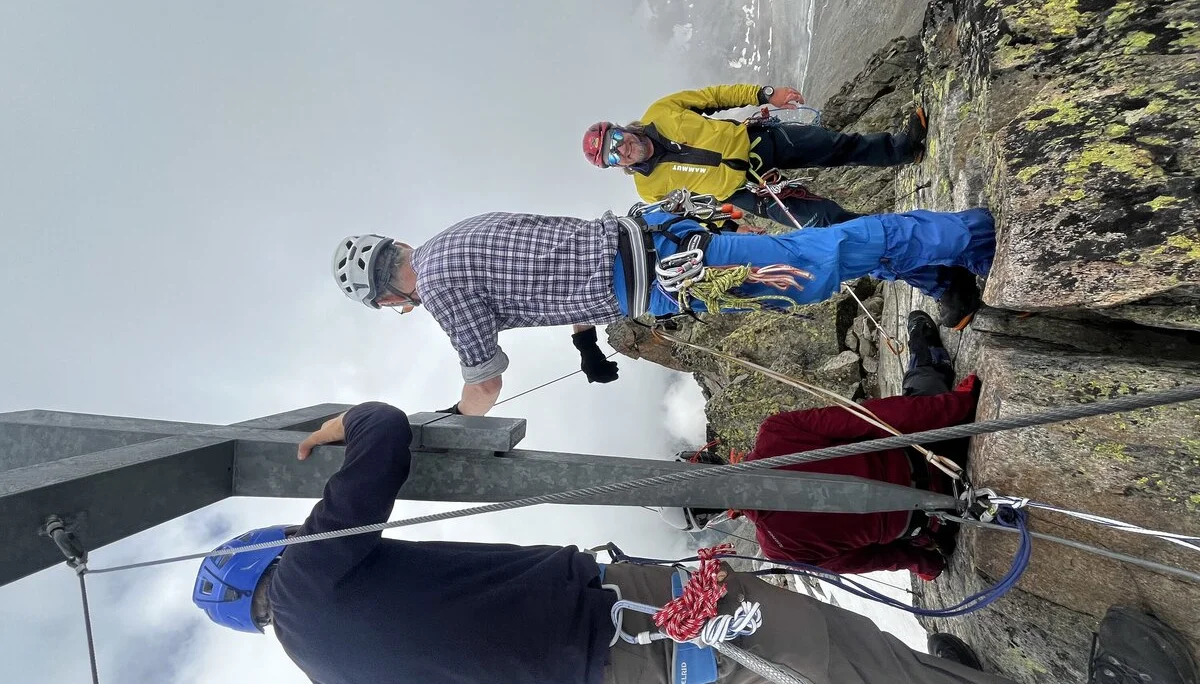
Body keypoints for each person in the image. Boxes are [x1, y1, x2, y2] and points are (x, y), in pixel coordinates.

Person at [191, 401, 1198, 684]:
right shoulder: (314, 574)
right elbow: (384, 439)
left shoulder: (322, 662)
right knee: (833, 653)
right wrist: (341, 424)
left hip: (625, 664)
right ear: (266, 562)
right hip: (643, 631)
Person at [330, 206, 992, 414]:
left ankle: (971, 234)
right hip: (663, 244)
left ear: (390, 295)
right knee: (810, 265)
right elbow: (552, 265)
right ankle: (941, 275)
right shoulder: (459, 236)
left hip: (675, 273)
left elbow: (484, 382)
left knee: (816, 261)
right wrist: (586, 341)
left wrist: (453, 420)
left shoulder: (440, 288)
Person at [686, 310, 975, 579]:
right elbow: (875, 419)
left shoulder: (780, 549)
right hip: (940, 453)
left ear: (718, 516)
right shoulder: (777, 434)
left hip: (943, 519)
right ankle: (928, 362)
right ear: (712, 460)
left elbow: (873, 558)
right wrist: (961, 406)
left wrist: (926, 564)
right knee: (918, 386)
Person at [582, 84, 928, 227]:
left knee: (836, 145)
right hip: (747, 192)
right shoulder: (648, 190)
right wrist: (731, 227)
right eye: (613, 157)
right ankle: (894, 234)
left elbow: (714, 96)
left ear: (620, 128)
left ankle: (904, 149)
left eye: (616, 139)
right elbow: (689, 214)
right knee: (821, 220)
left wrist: (764, 93)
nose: (622, 150)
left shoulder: (662, 111)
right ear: (616, 167)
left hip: (757, 143)